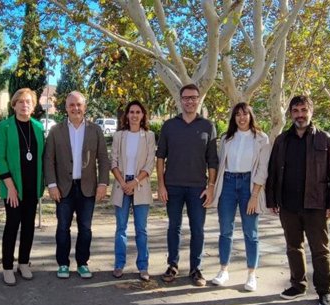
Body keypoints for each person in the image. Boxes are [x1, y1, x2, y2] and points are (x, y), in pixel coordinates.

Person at [266, 95, 330, 305]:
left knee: (320, 250)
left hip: (316, 205)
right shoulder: (282, 140)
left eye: (303, 110)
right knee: (293, 247)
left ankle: (325, 291)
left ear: (311, 111)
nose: (300, 114)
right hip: (288, 205)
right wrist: (272, 199)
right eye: (296, 110)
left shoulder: (326, 140)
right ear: (290, 113)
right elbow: (272, 171)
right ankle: (298, 285)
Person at [156, 83, 218, 287]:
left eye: (193, 98)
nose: (190, 101)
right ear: (180, 100)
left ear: (199, 99)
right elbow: (160, 158)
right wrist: (161, 185)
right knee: (174, 227)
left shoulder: (208, 126)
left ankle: (195, 269)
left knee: (197, 230)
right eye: (186, 98)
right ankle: (172, 265)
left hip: (198, 188)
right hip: (173, 186)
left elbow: (213, 160)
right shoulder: (169, 126)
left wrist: (211, 186)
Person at [44, 91, 110, 279]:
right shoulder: (56, 130)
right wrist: (51, 184)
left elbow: (103, 159)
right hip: (63, 188)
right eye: (72, 105)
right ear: (66, 108)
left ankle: (82, 263)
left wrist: (103, 183)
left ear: (84, 107)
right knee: (63, 227)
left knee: (85, 228)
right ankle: (63, 263)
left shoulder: (95, 130)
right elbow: (49, 159)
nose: (75, 108)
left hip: (87, 187)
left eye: (79, 105)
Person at [209, 103, 270, 291]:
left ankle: (251, 274)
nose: (241, 118)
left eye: (245, 114)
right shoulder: (227, 138)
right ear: (233, 118)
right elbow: (220, 165)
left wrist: (254, 195)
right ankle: (223, 270)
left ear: (251, 116)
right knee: (225, 230)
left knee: (250, 232)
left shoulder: (261, 139)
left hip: (248, 185)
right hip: (227, 183)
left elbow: (262, 169)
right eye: (237, 115)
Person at [0, 88, 45, 286]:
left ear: (33, 106)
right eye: (21, 101)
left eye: (28, 102)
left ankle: (24, 263)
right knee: (12, 226)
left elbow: (42, 156)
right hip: (13, 188)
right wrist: (11, 187)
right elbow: (0, 158)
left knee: (29, 226)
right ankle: (7, 266)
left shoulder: (38, 127)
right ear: (13, 104)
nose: (25, 105)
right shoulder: (5, 126)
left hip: (33, 187)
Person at [110, 100, 156, 281]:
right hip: (122, 185)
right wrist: (123, 183)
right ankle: (119, 265)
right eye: (131, 112)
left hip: (140, 185)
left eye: (138, 112)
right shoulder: (119, 136)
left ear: (143, 115)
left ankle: (143, 266)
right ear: (127, 116)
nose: (135, 115)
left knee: (141, 229)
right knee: (121, 228)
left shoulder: (149, 136)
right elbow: (113, 162)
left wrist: (135, 182)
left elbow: (150, 163)